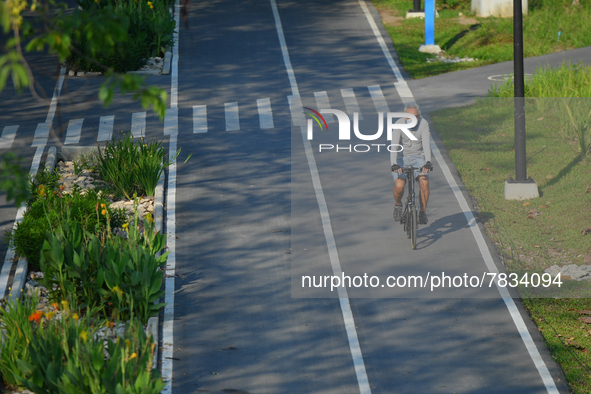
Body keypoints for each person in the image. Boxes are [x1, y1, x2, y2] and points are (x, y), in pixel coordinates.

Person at [391, 104, 433, 225]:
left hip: (418, 157)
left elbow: (426, 145)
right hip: (401, 159)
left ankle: (422, 212)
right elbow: (394, 146)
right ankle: (398, 205)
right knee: (399, 185)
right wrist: (394, 164)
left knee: (424, 181)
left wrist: (428, 162)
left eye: (416, 116)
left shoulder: (424, 124)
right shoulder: (399, 124)